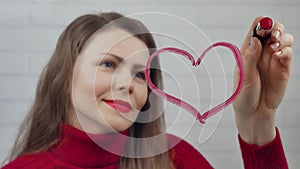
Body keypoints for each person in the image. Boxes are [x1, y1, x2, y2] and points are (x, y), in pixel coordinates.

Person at [1, 12, 293, 169]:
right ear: (64, 76)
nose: (128, 84)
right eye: (108, 64)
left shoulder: (176, 159)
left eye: (140, 74)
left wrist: (258, 124)